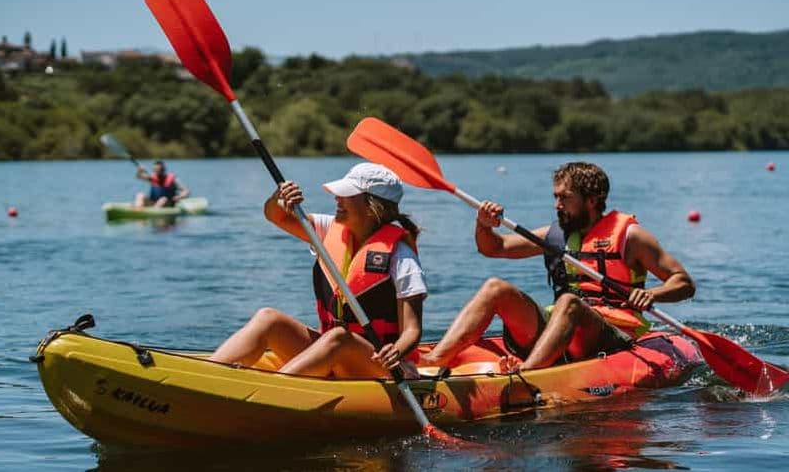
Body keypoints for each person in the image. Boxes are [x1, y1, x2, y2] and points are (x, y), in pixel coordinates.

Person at [419, 161, 694, 372]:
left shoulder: (631, 237)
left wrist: (652, 294)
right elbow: (495, 248)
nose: (557, 205)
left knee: (569, 302)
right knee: (495, 288)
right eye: (556, 197)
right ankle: (434, 360)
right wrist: (483, 225)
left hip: (612, 333)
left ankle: (527, 374)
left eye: (565, 198)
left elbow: (683, 281)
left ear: (592, 200)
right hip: (562, 327)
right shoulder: (555, 236)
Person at [209, 163, 427, 379]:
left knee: (339, 337)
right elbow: (276, 216)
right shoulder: (328, 228)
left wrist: (396, 350)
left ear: (373, 207)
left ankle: (272, 389)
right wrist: (279, 199)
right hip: (332, 352)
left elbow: (412, 330)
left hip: (381, 366)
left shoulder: (402, 257)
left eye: (348, 195)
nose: (337, 199)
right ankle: (210, 375)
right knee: (268, 319)